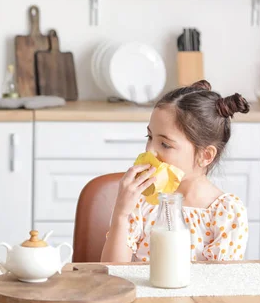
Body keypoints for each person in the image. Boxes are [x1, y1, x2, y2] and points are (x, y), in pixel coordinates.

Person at [101, 80, 250, 263]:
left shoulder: (226, 212)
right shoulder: (142, 201)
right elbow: (113, 273)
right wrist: (121, 214)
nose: (149, 151)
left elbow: (219, 284)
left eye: (165, 144)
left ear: (205, 155)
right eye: (150, 137)